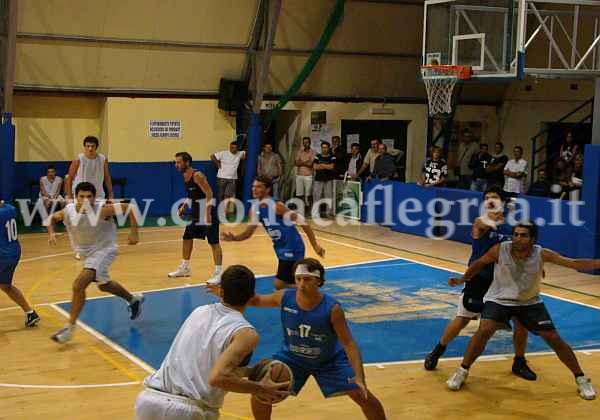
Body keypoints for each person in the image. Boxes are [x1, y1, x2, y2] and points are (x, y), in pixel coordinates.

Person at [446, 222, 599, 400]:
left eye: (524, 235)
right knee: (485, 329)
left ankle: (581, 378)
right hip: (499, 300)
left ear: (533, 239)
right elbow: (479, 263)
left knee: (553, 337)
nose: (518, 238)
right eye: (516, 234)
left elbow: (573, 263)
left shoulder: (541, 253)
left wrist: (597, 263)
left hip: (529, 302)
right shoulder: (500, 249)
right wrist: (463, 279)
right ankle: (462, 371)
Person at [135, 265, 289, 420]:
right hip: (185, 410)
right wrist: (261, 388)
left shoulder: (199, 312)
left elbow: (208, 367)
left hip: (149, 401)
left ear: (221, 291)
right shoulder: (245, 333)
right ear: (252, 296)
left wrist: (251, 371)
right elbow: (217, 378)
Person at [248, 258, 387, 420]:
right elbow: (256, 300)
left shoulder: (332, 309)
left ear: (318, 281)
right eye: (298, 279)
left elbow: (348, 343)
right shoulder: (284, 297)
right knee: (261, 389)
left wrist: (359, 377)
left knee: (362, 395)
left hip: (329, 361)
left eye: (306, 279)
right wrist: (229, 293)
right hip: (292, 359)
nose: (301, 284)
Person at [424, 187, 536, 381]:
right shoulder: (481, 222)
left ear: (502, 201)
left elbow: (521, 246)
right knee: (462, 319)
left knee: (521, 321)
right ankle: (438, 350)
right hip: (479, 278)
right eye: (486, 198)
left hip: (504, 281)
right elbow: (490, 223)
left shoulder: (512, 226)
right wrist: (504, 214)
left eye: (494, 197)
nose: (489, 201)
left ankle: (519, 360)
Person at [46, 182, 144, 343]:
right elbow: (52, 218)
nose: (85, 199)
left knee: (79, 285)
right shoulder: (68, 210)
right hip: (87, 253)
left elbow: (130, 207)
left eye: (89, 196)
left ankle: (69, 328)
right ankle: (133, 300)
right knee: (103, 285)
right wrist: (51, 233)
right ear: (75, 197)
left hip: (105, 250)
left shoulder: (101, 209)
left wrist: (134, 233)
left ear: (94, 198)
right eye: (81, 196)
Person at [222, 176, 325, 290]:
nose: (254, 189)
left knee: (279, 284)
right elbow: (248, 233)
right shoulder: (254, 208)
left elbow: (303, 222)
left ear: (267, 190)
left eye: (259, 187)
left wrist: (315, 245)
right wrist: (234, 238)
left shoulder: (276, 206)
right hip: (280, 248)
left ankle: (309, 290)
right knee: (288, 282)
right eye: (253, 186)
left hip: (292, 247)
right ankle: (306, 290)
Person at [168, 152, 223, 284]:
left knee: (213, 242)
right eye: (175, 162)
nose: (176, 165)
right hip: (197, 212)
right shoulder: (185, 175)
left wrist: (208, 213)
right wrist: (184, 207)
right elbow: (191, 194)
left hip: (208, 211)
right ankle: (185, 267)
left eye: (179, 162)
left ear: (187, 162)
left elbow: (209, 193)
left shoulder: (197, 175)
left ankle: (218, 273)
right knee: (187, 237)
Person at [0, 201, 40, 327]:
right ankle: (30, 313)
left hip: (2, 254)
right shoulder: (10, 208)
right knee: (5, 285)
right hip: (14, 253)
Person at [65, 136, 113, 202]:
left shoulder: (102, 159)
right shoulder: (78, 159)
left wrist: (110, 195)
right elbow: (69, 178)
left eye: (93, 146)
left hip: (98, 195)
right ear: (84, 147)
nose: (90, 148)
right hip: (81, 194)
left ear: (96, 147)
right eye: (88, 146)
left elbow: (107, 178)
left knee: (100, 212)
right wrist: (69, 197)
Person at [210, 141, 246, 216]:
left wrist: (244, 157)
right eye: (232, 147)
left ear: (237, 148)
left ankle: (226, 211)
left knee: (228, 195)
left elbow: (246, 154)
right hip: (221, 177)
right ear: (229, 147)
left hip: (233, 178)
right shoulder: (223, 153)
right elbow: (212, 156)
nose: (234, 149)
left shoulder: (240, 153)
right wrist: (218, 163)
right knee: (220, 195)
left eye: (235, 148)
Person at [312, 141, 336, 218]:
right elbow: (315, 167)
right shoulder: (317, 156)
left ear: (328, 148)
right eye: (323, 147)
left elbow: (331, 167)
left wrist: (321, 164)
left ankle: (328, 213)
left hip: (328, 179)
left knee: (328, 197)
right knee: (316, 197)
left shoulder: (332, 156)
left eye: (326, 147)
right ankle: (315, 214)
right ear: (321, 148)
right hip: (318, 179)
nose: (324, 149)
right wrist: (326, 165)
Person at [294, 137, 315, 211]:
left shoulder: (313, 152)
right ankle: (301, 210)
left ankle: (310, 211)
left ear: (310, 143)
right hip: (299, 175)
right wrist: (306, 161)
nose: (305, 143)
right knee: (300, 194)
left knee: (309, 194)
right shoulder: (299, 152)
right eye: (304, 142)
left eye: (307, 142)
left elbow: (310, 164)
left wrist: (301, 162)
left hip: (308, 176)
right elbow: (296, 163)